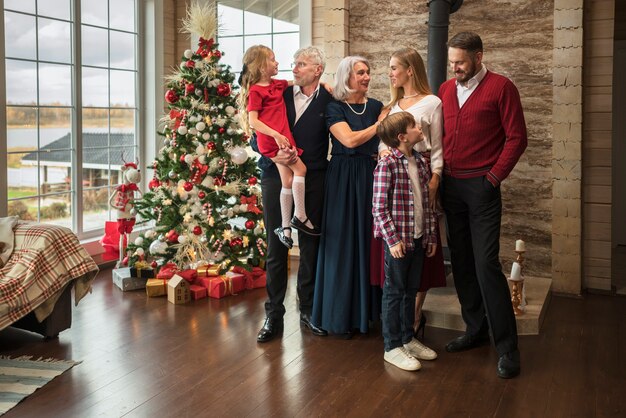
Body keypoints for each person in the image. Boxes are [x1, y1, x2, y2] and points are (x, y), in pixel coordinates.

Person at [438, 32, 527, 379]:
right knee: (460, 261)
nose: (454, 68)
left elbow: (517, 137)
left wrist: (492, 178)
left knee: (486, 263)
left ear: (478, 56)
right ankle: (475, 329)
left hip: (483, 187)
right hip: (451, 186)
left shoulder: (501, 87)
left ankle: (507, 347)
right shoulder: (445, 91)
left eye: (460, 62)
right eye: (451, 62)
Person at [250, 46, 333, 343]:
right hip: (275, 175)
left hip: (313, 179)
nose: (294, 69)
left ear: (317, 70)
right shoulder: (278, 93)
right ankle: (273, 315)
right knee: (277, 247)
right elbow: (254, 136)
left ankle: (307, 311)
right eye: (293, 63)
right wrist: (274, 157)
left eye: (301, 64)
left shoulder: (329, 99)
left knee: (309, 248)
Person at [312, 56, 387, 337]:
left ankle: (369, 314)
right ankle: (339, 315)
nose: (366, 77)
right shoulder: (334, 108)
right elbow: (349, 140)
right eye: (360, 73)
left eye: (368, 72)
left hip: (370, 174)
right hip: (342, 177)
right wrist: (380, 125)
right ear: (347, 77)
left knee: (368, 241)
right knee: (342, 243)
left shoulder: (378, 106)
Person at [384, 47, 447, 339]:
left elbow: (437, 146)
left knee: (423, 253)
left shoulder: (432, 102)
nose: (390, 73)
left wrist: (435, 179)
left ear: (410, 70)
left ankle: (413, 321)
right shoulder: (391, 107)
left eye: (395, 67)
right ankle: (396, 334)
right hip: (396, 185)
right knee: (397, 268)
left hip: (422, 176)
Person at [237, 45, 320, 253]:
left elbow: (295, 82)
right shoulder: (256, 90)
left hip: (280, 138)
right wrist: (275, 135)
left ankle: (285, 228)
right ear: (261, 66)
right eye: (273, 60)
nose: (277, 63)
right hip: (274, 141)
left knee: (288, 180)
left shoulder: (275, 85)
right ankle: (300, 216)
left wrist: (324, 85)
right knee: (300, 170)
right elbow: (253, 121)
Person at [373, 111, 438, 371]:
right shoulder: (387, 165)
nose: (418, 127)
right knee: (394, 292)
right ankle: (392, 346)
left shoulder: (421, 163)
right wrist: (392, 239)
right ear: (402, 137)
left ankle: (407, 339)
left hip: (418, 237)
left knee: (411, 290)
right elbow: (378, 208)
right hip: (398, 242)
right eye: (413, 125)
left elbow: (427, 204)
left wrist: (431, 234)